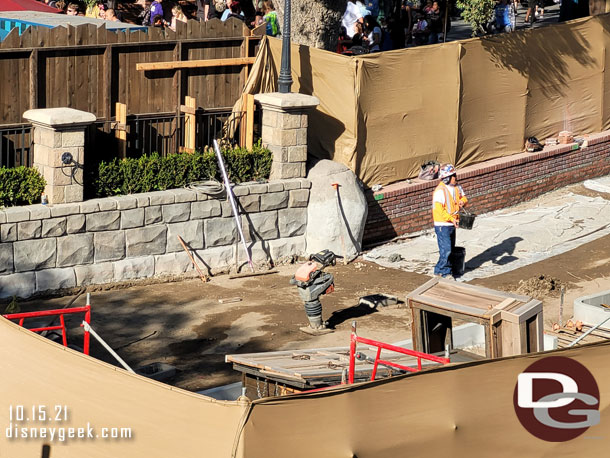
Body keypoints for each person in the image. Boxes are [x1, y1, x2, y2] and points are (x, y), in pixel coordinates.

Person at [432, 164, 468, 279]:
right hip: (442, 224)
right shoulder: (440, 191)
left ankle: (439, 269)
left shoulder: (457, 187)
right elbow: (439, 210)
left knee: (448, 249)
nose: (456, 178)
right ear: (447, 178)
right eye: (454, 176)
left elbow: (464, 197)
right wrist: (451, 219)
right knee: (446, 249)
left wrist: (463, 201)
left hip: (452, 223)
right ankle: (445, 272)